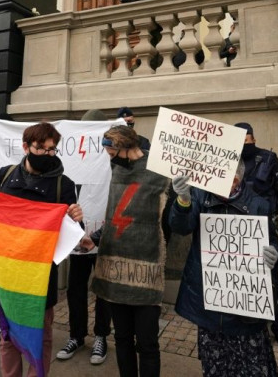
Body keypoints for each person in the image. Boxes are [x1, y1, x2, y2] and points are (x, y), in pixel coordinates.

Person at [169, 164, 278, 377]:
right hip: (210, 308)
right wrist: (183, 200)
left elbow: (273, 242)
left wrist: (275, 253)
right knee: (215, 368)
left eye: (225, 181)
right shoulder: (201, 197)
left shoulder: (259, 205)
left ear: (237, 181)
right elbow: (180, 227)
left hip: (246, 313)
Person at [0, 121, 83, 377]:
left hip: (41, 276)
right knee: (8, 336)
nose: (48, 154)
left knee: (40, 336)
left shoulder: (63, 185)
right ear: (26, 147)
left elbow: (73, 232)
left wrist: (76, 217)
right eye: (41, 149)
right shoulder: (5, 176)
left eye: (52, 149)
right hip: (7, 273)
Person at [84, 125, 170, 377]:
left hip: (145, 269)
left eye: (112, 152)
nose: (109, 158)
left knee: (147, 343)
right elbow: (117, 214)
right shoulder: (118, 168)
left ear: (125, 147)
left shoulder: (159, 173)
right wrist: (96, 239)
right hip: (115, 272)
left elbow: (174, 222)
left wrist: (184, 201)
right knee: (121, 338)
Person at [56, 109, 112, 366]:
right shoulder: (71, 156)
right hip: (77, 237)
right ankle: (77, 335)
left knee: (103, 290)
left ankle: (101, 335)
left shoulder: (113, 158)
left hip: (103, 238)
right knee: (76, 289)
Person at [233, 122, 278, 354]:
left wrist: (268, 212)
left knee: (271, 281)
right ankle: (252, 327)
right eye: (240, 140)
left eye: (248, 140)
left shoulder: (268, 159)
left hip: (262, 229)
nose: (245, 144)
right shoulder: (226, 160)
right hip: (234, 230)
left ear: (254, 139)